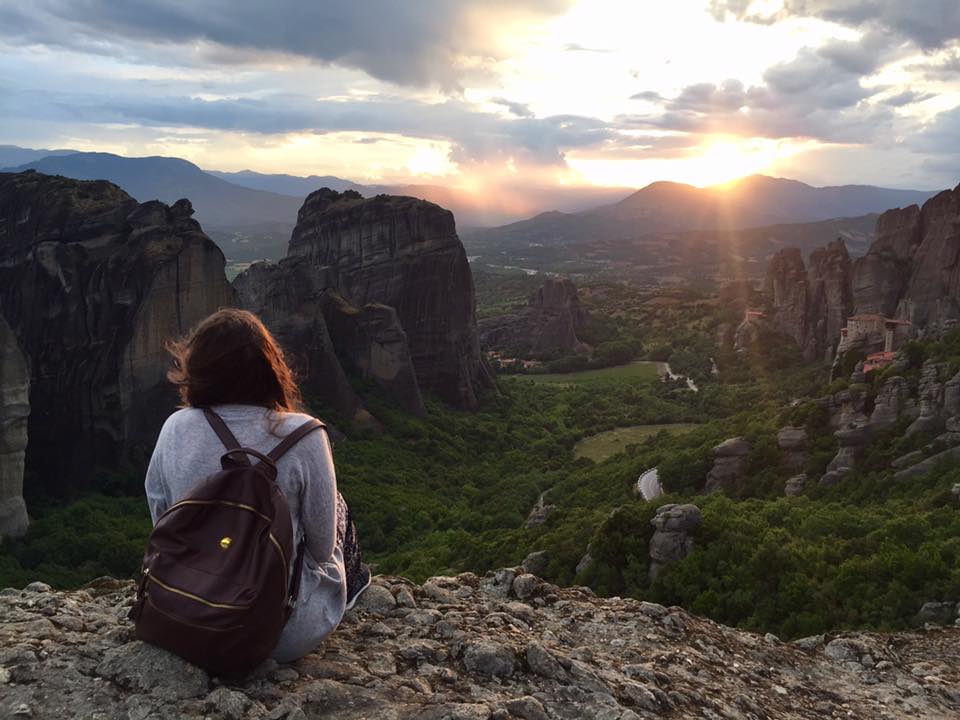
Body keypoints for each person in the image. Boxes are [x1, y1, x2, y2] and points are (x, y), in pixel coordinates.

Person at [143, 308, 370, 662]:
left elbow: (161, 518)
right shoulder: (305, 435)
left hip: (179, 613)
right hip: (278, 634)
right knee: (337, 506)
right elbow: (322, 549)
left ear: (198, 368)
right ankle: (352, 589)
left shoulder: (175, 427)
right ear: (271, 367)